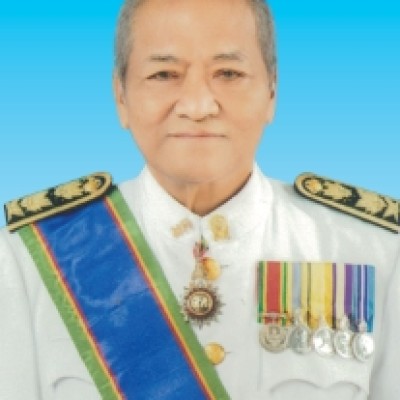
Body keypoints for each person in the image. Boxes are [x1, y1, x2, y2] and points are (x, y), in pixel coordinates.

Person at [0, 0, 399, 399]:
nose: (197, 106)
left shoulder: (372, 250)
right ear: (120, 95)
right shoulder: (31, 258)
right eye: (164, 74)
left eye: (228, 73)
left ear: (272, 91)